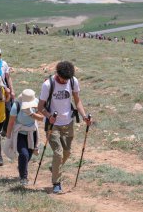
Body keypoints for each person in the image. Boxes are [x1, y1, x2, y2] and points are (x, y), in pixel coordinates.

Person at [37, 61, 91, 194]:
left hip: (68, 123)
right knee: (58, 153)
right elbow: (40, 107)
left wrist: (84, 116)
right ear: (57, 74)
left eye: (67, 79)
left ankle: (55, 167)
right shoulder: (48, 84)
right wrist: (49, 116)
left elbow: (77, 101)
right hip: (52, 125)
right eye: (62, 79)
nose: (64, 81)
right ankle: (56, 183)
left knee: (67, 153)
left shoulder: (73, 81)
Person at [6, 89, 43, 185]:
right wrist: (8, 136)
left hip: (32, 132)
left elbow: (42, 117)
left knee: (28, 155)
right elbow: (11, 122)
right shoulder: (16, 106)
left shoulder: (36, 103)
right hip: (20, 133)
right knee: (24, 154)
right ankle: (23, 177)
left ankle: (21, 167)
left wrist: (31, 114)